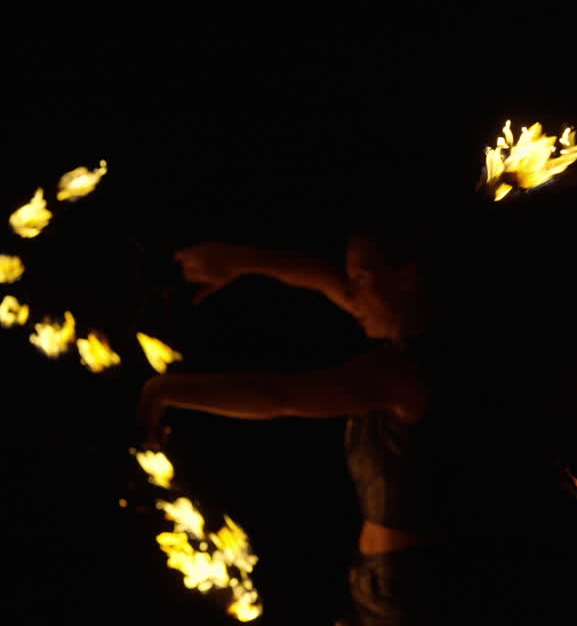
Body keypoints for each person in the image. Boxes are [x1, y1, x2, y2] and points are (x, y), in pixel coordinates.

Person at [136, 231, 444, 626]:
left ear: (411, 276)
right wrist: (241, 259)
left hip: (406, 596)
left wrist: (163, 390)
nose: (350, 294)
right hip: (383, 582)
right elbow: (328, 282)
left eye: (362, 278)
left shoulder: (407, 372)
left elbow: (279, 395)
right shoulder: (413, 343)